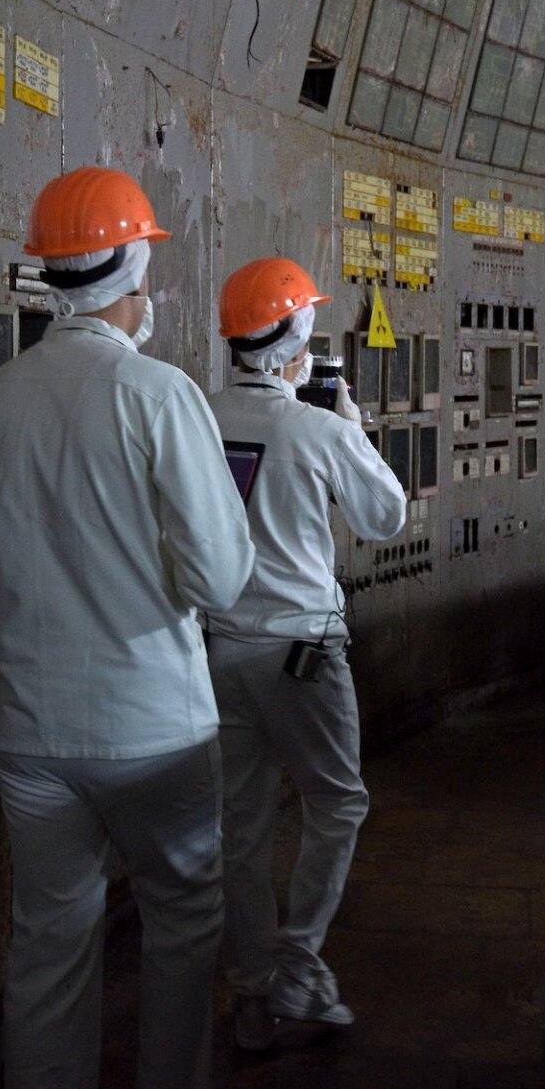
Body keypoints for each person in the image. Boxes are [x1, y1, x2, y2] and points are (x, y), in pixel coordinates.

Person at [0, 166, 255, 1089]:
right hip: (149, 724)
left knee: (50, 943)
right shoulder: (159, 395)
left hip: (29, 730)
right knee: (181, 929)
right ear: (133, 266)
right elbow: (218, 577)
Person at [203, 258, 406, 1049]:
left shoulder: (196, 416)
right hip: (303, 655)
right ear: (294, 337)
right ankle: (298, 964)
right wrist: (348, 425)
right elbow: (385, 515)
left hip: (219, 652)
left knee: (241, 827)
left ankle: (252, 993)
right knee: (337, 803)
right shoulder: (318, 428)